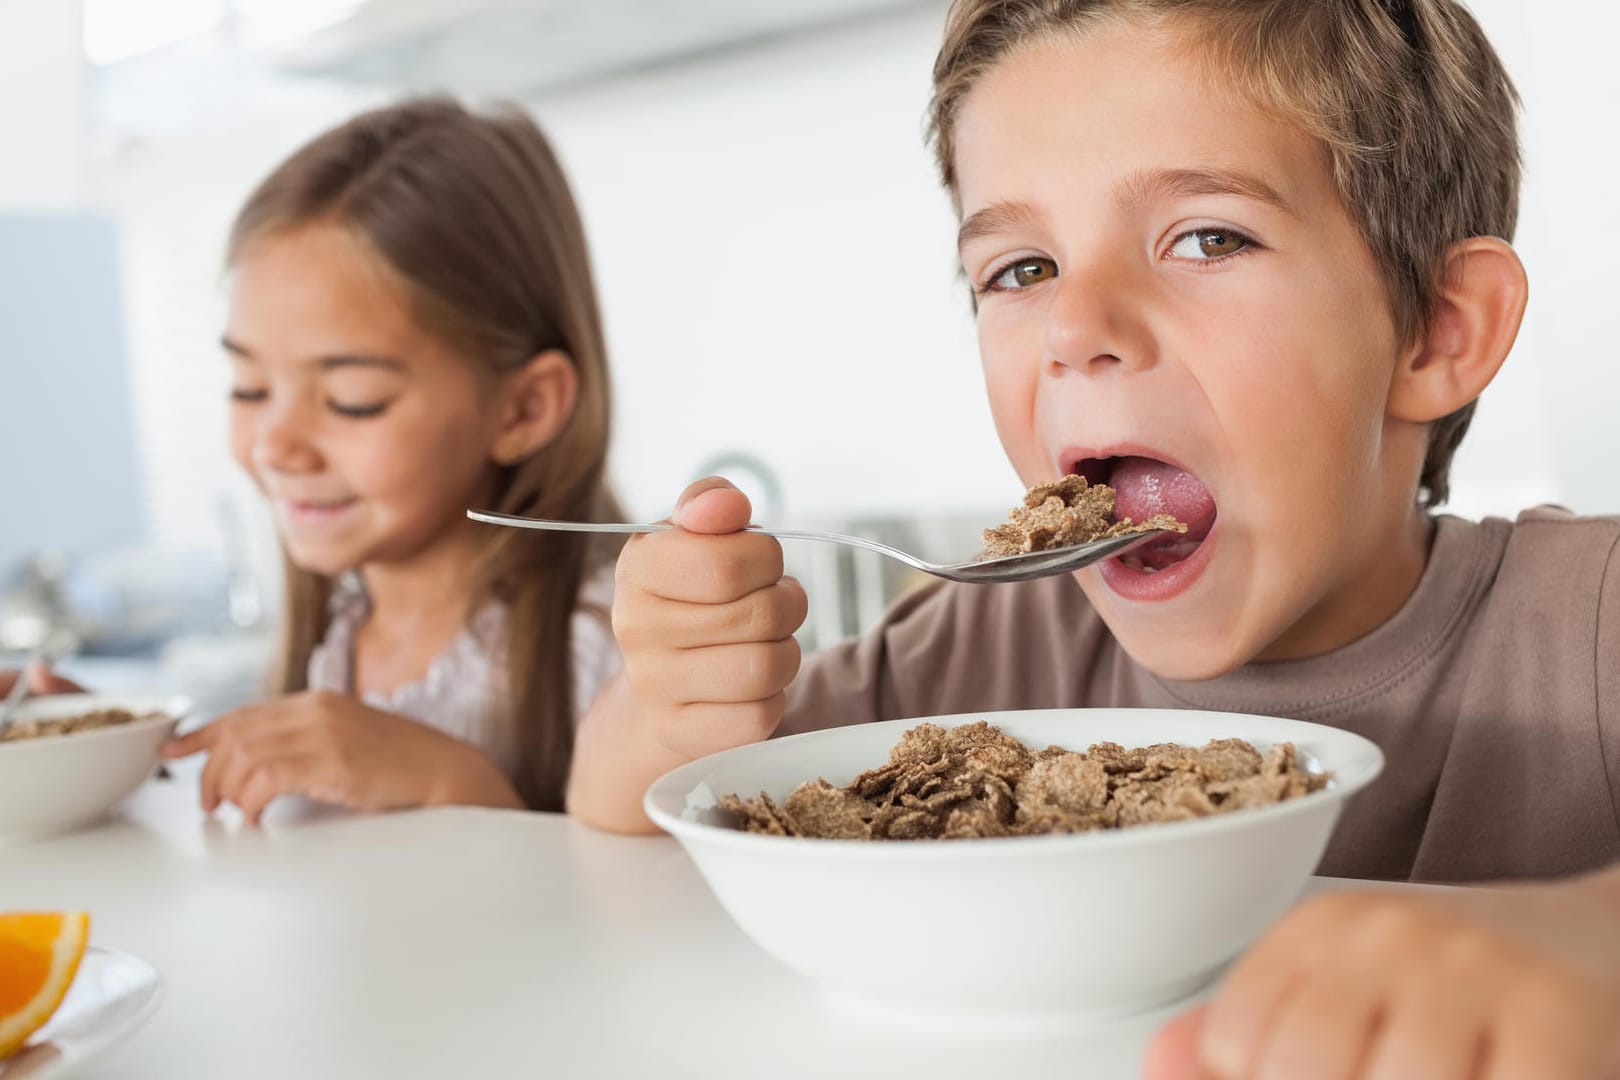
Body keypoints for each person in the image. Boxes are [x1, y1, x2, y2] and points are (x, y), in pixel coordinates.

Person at [568, 1, 1620, 1075]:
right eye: (1021, 270)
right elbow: (631, 832)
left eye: (1208, 237)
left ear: (1439, 331)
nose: (1076, 329)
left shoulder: (1593, 618)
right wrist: (669, 707)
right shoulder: (978, 649)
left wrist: (1590, 940)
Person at [160, 98, 624, 821]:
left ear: (525, 409)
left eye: (352, 399)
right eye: (250, 387)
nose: (274, 445)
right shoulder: (338, 641)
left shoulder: (606, 653)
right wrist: (101, 754)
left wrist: (450, 780)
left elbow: (650, 916)